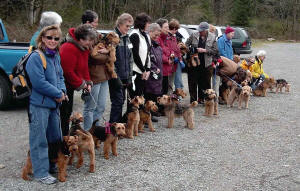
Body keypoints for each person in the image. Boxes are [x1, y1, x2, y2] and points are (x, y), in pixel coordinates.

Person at [26, 25, 66, 184]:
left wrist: (62, 91)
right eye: (49, 37)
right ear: (42, 38)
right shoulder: (36, 57)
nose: (52, 41)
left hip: (54, 105)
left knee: (55, 138)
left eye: (56, 38)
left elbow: (60, 76)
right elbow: (39, 83)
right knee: (39, 139)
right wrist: (58, 94)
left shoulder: (56, 55)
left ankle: (50, 165)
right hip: (39, 105)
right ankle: (40, 172)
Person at [59, 24, 97, 136]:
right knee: (63, 116)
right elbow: (67, 72)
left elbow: (84, 67)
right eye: (89, 40)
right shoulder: (68, 48)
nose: (91, 43)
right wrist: (81, 84)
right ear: (81, 39)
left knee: (67, 113)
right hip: (63, 86)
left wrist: (88, 82)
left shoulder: (83, 48)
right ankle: (62, 141)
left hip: (70, 87)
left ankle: (66, 138)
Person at [81, 10, 111, 130]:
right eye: (95, 22)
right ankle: (88, 133)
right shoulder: (84, 37)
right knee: (90, 107)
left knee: (101, 106)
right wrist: (107, 55)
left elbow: (106, 52)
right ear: (88, 22)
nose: (97, 25)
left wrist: (108, 52)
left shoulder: (98, 35)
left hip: (103, 75)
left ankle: (96, 133)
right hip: (92, 77)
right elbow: (93, 57)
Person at [109, 13, 134, 123]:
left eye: (130, 26)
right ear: (120, 24)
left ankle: (118, 126)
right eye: (126, 26)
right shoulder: (113, 37)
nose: (128, 28)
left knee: (122, 100)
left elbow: (130, 59)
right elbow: (109, 60)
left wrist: (129, 76)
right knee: (117, 101)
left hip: (125, 75)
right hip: (115, 76)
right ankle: (112, 127)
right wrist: (115, 77)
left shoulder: (127, 38)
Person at [185, 22, 219, 103]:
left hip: (207, 65)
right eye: (199, 30)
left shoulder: (213, 37)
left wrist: (205, 50)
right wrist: (191, 50)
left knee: (205, 83)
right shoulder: (194, 35)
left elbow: (215, 51)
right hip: (194, 64)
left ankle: (205, 99)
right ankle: (193, 100)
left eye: (202, 31)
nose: (200, 32)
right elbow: (185, 45)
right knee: (192, 83)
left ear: (206, 30)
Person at [129, 13, 152, 96]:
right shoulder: (134, 35)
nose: (149, 25)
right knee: (134, 98)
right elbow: (135, 55)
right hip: (135, 71)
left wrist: (148, 69)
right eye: (148, 23)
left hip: (143, 71)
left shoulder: (145, 35)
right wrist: (143, 70)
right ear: (142, 23)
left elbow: (148, 53)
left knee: (141, 97)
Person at [144, 23, 163, 120]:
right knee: (149, 95)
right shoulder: (147, 44)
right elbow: (147, 59)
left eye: (158, 35)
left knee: (154, 94)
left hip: (157, 74)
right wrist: (154, 68)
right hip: (150, 74)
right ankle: (147, 115)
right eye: (155, 35)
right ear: (149, 32)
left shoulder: (157, 46)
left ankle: (151, 114)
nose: (157, 37)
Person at [156, 18, 173, 95]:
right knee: (160, 92)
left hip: (166, 70)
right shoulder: (157, 38)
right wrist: (167, 59)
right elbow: (158, 53)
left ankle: (163, 107)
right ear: (160, 28)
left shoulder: (167, 38)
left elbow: (171, 49)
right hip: (159, 69)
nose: (168, 29)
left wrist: (172, 56)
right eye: (165, 27)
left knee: (165, 90)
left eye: (168, 27)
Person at [168, 19, 184, 90]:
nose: (176, 31)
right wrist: (173, 57)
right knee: (169, 83)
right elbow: (168, 50)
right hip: (169, 62)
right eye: (176, 29)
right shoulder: (167, 37)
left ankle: (174, 97)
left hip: (175, 63)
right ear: (174, 28)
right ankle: (167, 98)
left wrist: (180, 59)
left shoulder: (174, 37)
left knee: (176, 81)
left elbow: (177, 50)